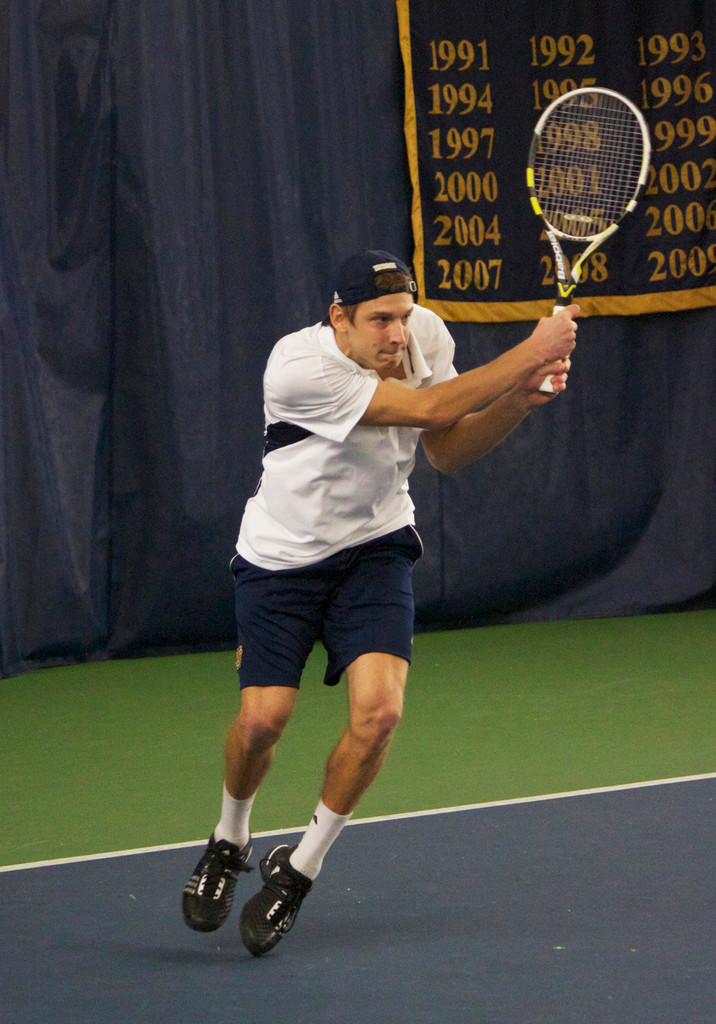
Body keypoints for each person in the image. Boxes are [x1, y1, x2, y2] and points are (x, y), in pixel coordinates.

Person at [182, 250, 579, 957]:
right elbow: (428, 407)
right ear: (340, 319)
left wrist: (520, 399)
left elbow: (447, 448)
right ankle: (230, 838)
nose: (399, 335)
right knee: (260, 723)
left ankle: (300, 870)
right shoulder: (296, 366)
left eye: (403, 317)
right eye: (380, 322)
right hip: (281, 558)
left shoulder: (426, 334)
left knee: (381, 712)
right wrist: (529, 354)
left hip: (376, 547)